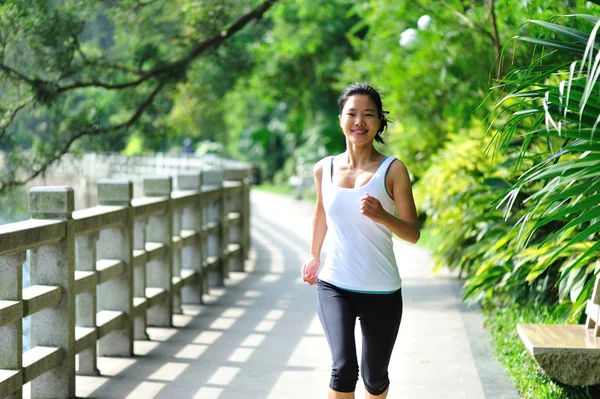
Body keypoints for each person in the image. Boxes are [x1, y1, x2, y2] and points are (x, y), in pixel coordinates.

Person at [302, 82, 420, 399]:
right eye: (352, 114)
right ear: (340, 119)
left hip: (381, 290)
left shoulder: (393, 170)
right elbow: (321, 215)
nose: (360, 122)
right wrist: (313, 255)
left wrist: (383, 215)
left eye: (369, 114)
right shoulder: (323, 169)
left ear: (380, 122)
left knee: (375, 378)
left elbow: (412, 232)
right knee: (343, 370)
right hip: (335, 284)